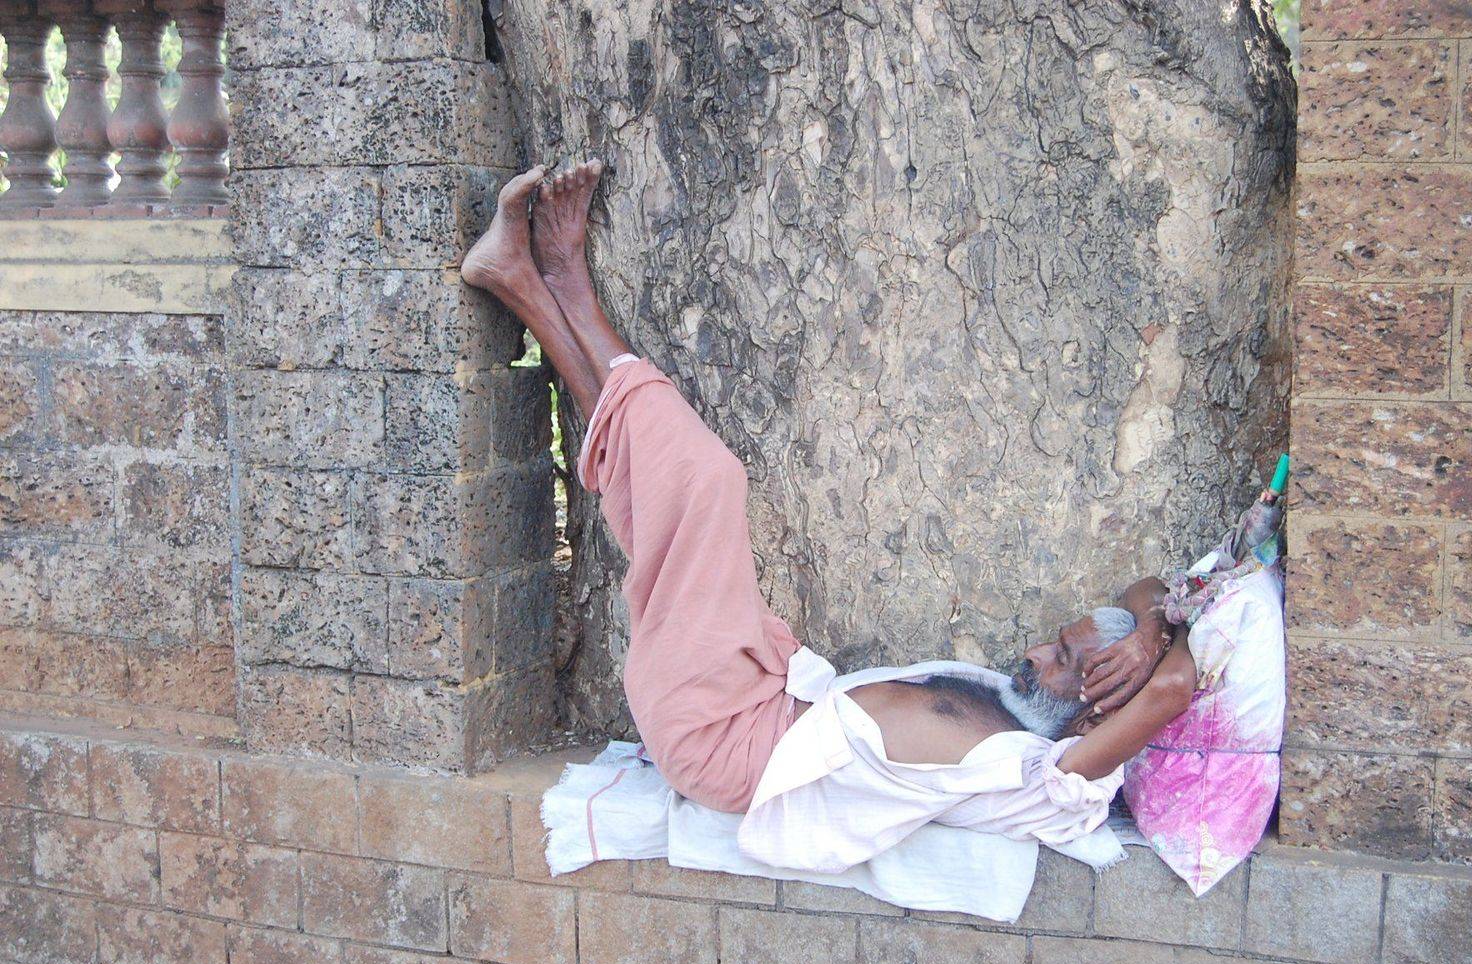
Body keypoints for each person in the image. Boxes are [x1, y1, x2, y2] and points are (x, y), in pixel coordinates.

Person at [460, 161, 1198, 866]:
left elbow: (1172, 690)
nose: (1034, 654)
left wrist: (1154, 659)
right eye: (1055, 644)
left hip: (725, 740)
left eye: (1064, 662)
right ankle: (538, 283)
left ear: (1100, 712)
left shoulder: (1055, 779)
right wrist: (1148, 629)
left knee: (708, 482)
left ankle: (549, 285)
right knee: (653, 490)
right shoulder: (1023, 705)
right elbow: (1150, 588)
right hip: (764, 686)